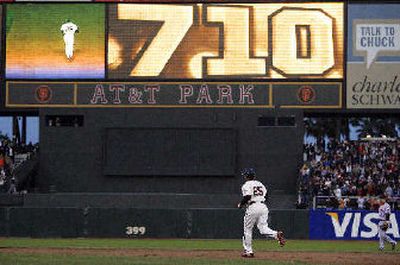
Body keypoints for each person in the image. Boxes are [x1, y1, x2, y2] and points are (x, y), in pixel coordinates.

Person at [237, 168, 285, 258]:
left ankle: (248, 251)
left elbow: (247, 196)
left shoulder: (246, 184)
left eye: (244, 175)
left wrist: (241, 204)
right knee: (263, 228)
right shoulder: (260, 184)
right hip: (263, 206)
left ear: (246, 176)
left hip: (253, 206)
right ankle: (276, 234)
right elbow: (266, 195)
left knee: (247, 229)